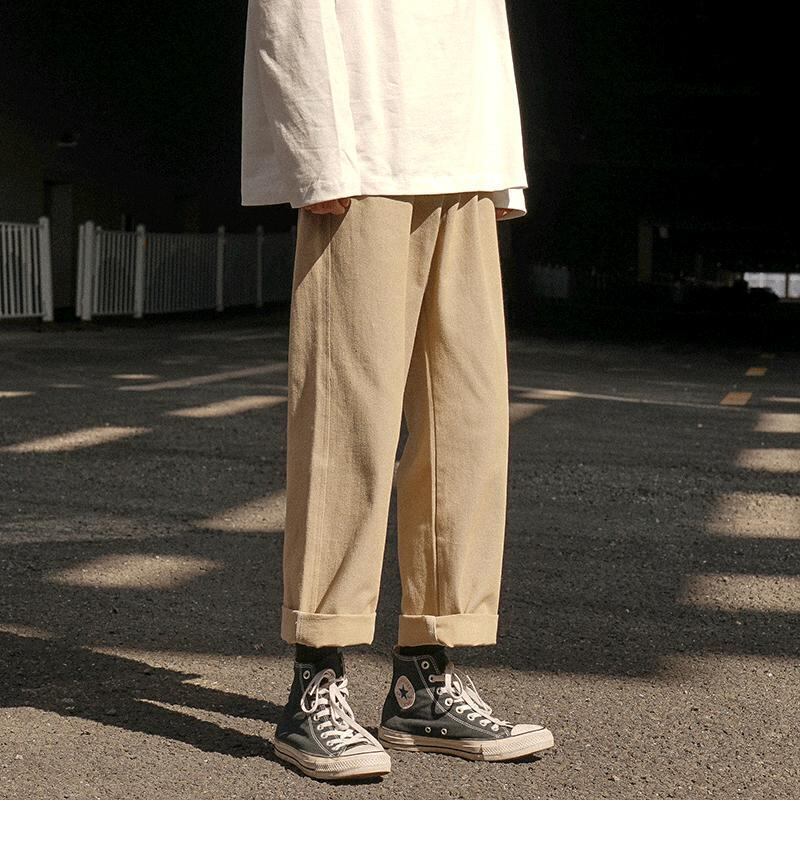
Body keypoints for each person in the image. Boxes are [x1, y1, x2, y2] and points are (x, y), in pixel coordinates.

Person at [241, 0, 554, 781]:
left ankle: (425, 677)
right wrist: (313, 151)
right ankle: (315, 679)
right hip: (362, 150)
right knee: (347, 425)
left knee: (468, 427)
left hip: (464, 155)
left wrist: (503, 161)